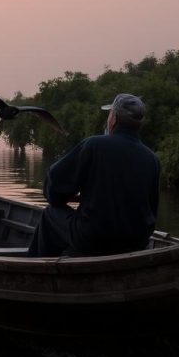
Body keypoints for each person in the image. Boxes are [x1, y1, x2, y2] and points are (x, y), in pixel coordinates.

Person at [28, 93, 160, 257]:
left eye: (109, 114)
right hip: (137, 242)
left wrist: (60, 197)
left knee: (50, 213)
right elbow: (151, 210)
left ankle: (42, 271)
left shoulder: (94, 145)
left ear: (113, 119)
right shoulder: (152, 159)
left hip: (94, 238)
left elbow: (55, 187)